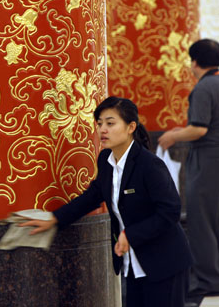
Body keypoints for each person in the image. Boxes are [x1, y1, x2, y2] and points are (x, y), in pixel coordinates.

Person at [21, 96, 192, 307]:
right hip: (133, 264)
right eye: (100, 123)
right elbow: (92, 196)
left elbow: (171, 211)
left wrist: (131, 234)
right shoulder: (106, 161)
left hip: (165, 263)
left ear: (131, 127)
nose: (103, 129)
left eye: (110, 123)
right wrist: (54, 219)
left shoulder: (149, 165)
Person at [158, 38, 219, 298]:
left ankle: (209, 280)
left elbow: (200, 129)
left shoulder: (205, 87)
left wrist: (173, 137)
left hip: (208, 160)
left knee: (202, 220)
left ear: (195, 62)